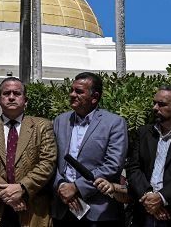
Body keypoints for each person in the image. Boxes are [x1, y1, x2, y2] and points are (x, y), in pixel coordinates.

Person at [0, 77, 56, 227]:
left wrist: (22, 188)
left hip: (32, 207)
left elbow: (48, 162)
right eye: (6, 93)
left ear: (26, 100)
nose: (11, 97)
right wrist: (8, 194)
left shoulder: (42, 126)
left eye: (16, 93)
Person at [52, 72, 128, 227]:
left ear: (95, 97)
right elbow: (51, 160)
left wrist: (77, 187)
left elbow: (112, 166)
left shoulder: (114, 123)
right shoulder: (60, 120)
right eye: (72, 90)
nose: (72, 94)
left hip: (98, 211)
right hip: (63, 207)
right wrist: (61, 186)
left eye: (79, 91)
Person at [126, 86, 171, 227]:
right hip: (144, 210)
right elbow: (134, 168)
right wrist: (148, 197)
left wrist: (162, 197)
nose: (155, 108)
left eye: (161, 104)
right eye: (154, 103)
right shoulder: (144, 133)